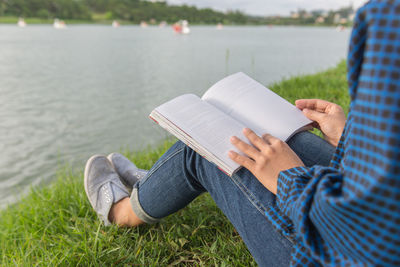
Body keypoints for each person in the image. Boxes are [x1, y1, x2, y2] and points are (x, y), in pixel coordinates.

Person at [84, 1, 400, 266]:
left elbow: (368, 234)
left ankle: (122, 212)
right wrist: (355, 140)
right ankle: (152, 184)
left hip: (342, 255)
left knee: (208, 147)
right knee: (278, 138)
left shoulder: (389, 21)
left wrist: (289, 180)